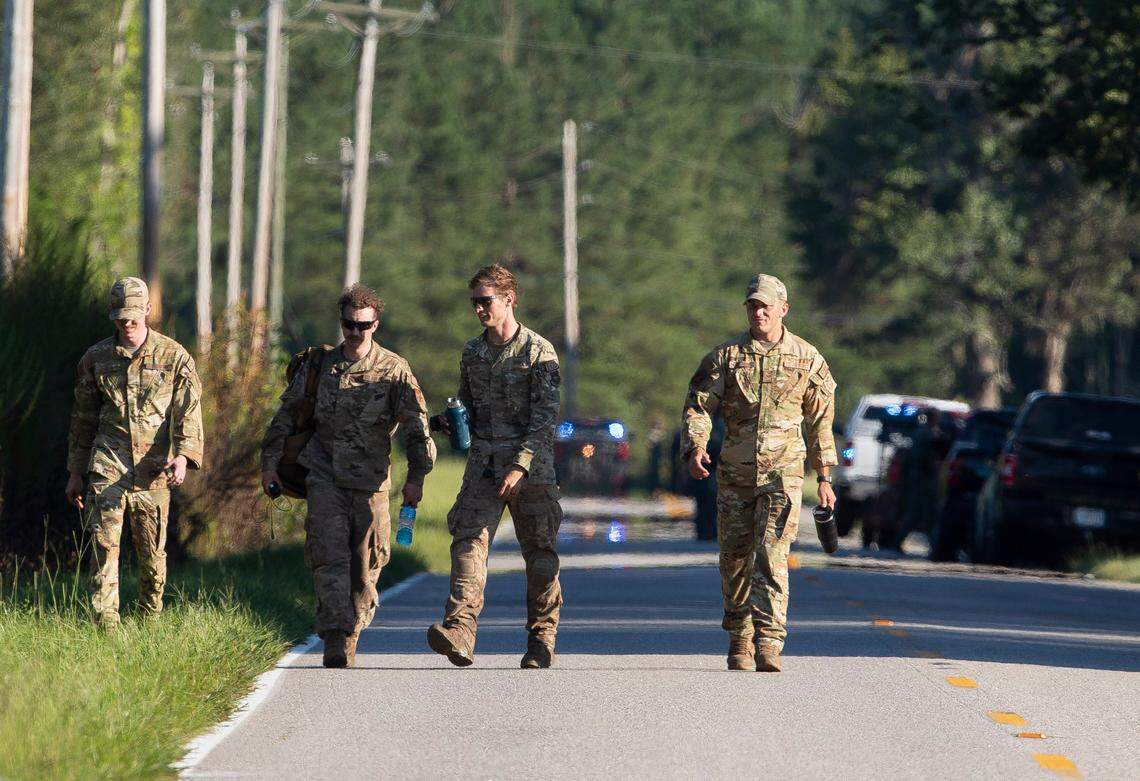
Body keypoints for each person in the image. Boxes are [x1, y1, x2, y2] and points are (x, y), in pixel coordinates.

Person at [261, 284, 435, 668]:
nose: (354, 333)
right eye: (348, 325)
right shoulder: (319, 366)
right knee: (328, 557)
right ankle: (336, 637)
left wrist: (417, 477)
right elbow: (287, 416)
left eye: (362, 326)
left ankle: (353, 626)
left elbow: (415, 427)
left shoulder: (394, 369)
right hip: (323, 476)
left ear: (376, 325)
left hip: (371, 482)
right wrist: (269, 463)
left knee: (366, 565)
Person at [681, 273, 837, 672]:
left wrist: (824, 477)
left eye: (766, 305)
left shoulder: (807, 358)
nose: (759, 311)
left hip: (783, 474)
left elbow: (820, 421)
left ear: (783, 309)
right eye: (753, 305)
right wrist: (696, 446)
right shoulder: (726, 358)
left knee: (771, 553)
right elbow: (699, 405)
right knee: (734, 557)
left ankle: (769, 640)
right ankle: (740, 638)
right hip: (735, 474)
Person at [427, 263, 564, 669]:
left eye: (485, 301)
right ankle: (460, 632)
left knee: (539, 555)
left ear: (509, 299)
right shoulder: (473, 352)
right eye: (474, 303)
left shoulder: (539, 352)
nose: (478, 310)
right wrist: (440, 422)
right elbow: (466, 405)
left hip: (531, 471)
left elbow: (545, 419)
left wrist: (520, 466)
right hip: (484, 466)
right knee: (468, 543)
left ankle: (541, 638)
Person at [65, 277, 204, 631]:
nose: (126, 326)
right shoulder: (96, 359)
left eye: (133, 318)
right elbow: (82, 419)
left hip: (154, 470)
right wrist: (76, 472)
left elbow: (188, 412)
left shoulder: (174, 357)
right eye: (119, 319)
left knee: (152, 560)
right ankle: (106, 630)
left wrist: (184, 456)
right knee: (103, 552)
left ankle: (148, 626)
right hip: (107, 464)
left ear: (147, 310)